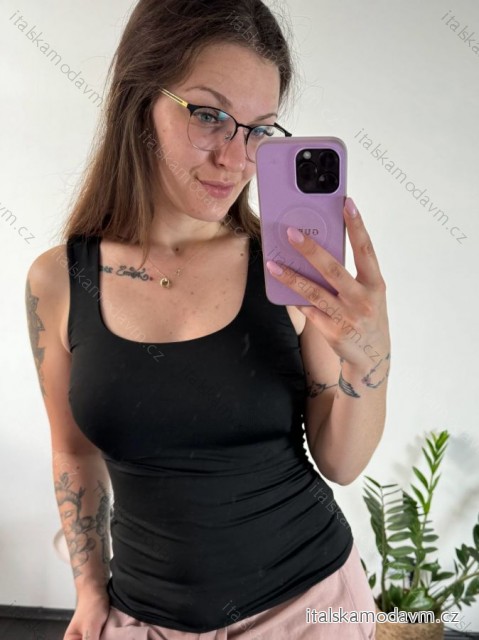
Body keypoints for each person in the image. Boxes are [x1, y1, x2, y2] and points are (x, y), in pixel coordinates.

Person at [24, 0, 391, 638]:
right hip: (143, 618)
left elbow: (340, 462)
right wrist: (88, 591)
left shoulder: (287, 270)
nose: (236, 158)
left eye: (259, 129)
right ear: (140, 100)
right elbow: (73, 449)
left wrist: (371, 362)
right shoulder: (58, 281)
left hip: (307, 610)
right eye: (209, 115)